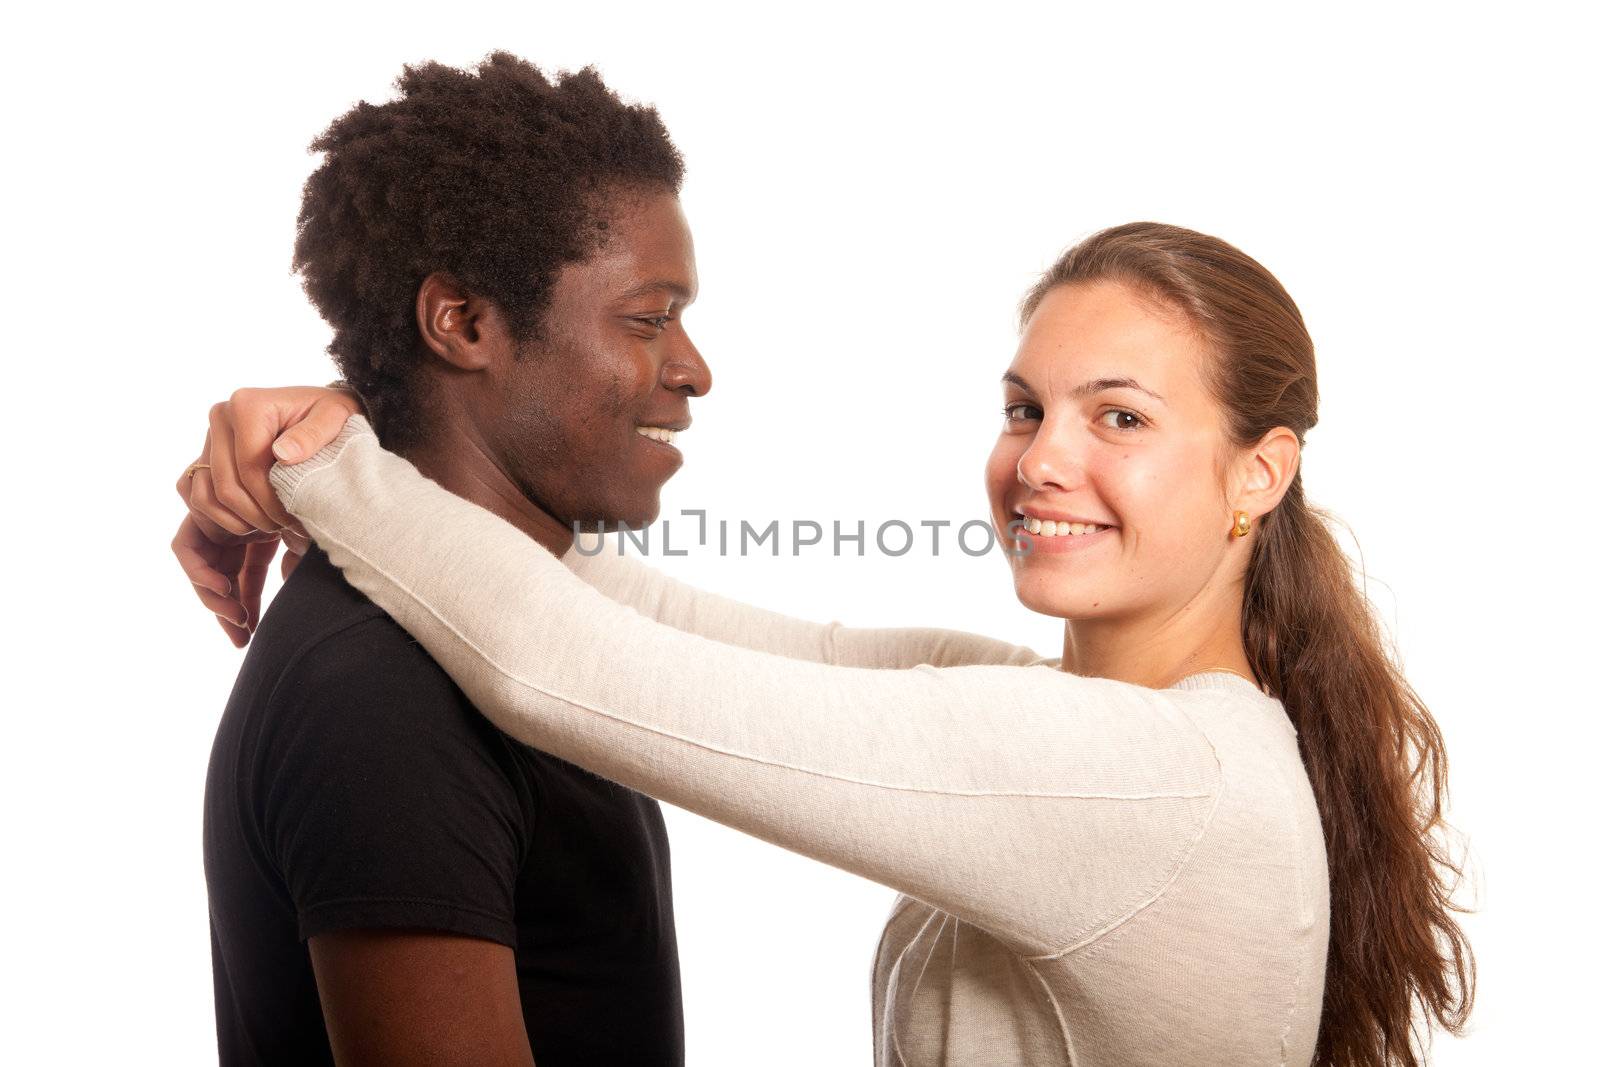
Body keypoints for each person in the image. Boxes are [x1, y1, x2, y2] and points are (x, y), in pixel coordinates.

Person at [181, 222, 1475, 1065]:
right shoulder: (1110, 734)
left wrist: (329, 466)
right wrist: (404, 451)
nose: (1042, 461)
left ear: (1260, 472)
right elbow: (655, 620)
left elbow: (564, 671)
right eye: (1026, 407)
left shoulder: (1142, 779)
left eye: (1120, 416)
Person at [184, 53, 723, 1066]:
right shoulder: (383, 693)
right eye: (649, 318)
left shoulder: (521, 623)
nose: (694, 369)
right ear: (463, 322)